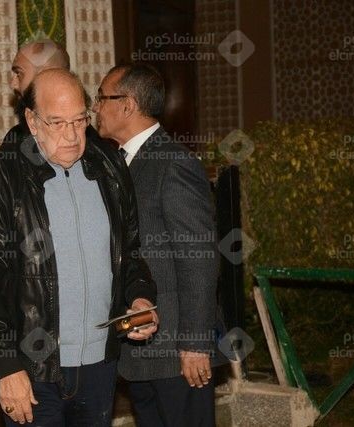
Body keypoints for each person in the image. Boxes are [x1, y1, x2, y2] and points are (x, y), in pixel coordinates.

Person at [0, 68, 158, 426]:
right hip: (33, 369)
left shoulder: (109, 167)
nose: (72, 135)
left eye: (79, 120)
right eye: (57, 123)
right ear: (32, 121)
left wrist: (140, 297)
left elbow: (129, 253)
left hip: (100, 367)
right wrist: (6, 367)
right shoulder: (0, 176)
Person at [93, 64, 218, 427]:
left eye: (102, 98)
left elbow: (198, 257)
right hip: (140, 350)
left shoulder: (173, 162)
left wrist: (195, 343)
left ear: (127, 104)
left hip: (177, 352)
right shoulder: (119, 162)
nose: (96, 108)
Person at [2, 38, 70, 144]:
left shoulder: (85, 140)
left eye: (19, 74)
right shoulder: (16, 136)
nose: (13, 84)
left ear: (45, 76)